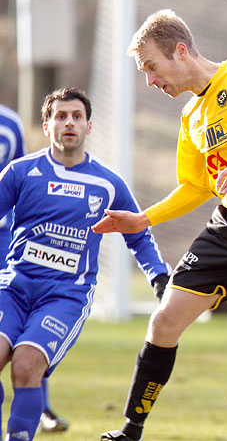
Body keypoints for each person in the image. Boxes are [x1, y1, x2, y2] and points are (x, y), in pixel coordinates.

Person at [94, 9, 227, 441]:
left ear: (180, 51)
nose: (151, 81)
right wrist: (143, 218)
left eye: (152, 67)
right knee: (163, 322)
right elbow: (196, 187)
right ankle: (130, 430)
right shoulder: (192, 118)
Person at [0, 88, 170, 441]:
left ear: (89, 126)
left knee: (26, 365)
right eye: (60, 117)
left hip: (64, 297)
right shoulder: (20, 173)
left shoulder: (107, 184)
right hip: (14, 288)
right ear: (46, 126)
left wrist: (158, 275)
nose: (69, 123)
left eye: (76, 116)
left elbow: (138, 233)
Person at [0, 102, 70, 434]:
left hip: (6, 243)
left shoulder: (10, 124)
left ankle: (40, 405)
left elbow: (27, 178)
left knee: (29, 329)